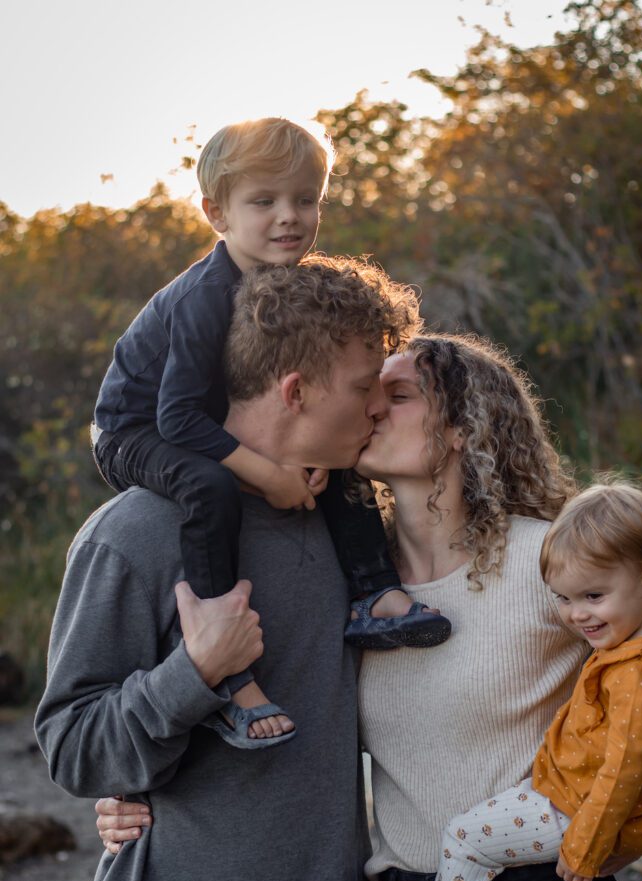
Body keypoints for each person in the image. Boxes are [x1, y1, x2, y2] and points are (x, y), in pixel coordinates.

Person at [95, 333, 642, 881]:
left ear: (461, 428)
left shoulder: (551, 562)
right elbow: (293, 733)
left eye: (399, 394)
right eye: (365, 392)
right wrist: (140, 797)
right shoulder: (345, 583)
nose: (371, 410)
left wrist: (628, 829)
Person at [35, 256, 421, 881]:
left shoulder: (357, 537)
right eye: (362, 385)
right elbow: (72, 746)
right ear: (294, 390)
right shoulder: (135, 534)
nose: (378, 406)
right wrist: (195, 672)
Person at [91, 118, 449, 749]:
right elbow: (175, 418)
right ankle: (233, 678)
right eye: (264, 202)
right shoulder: (206, 296)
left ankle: (374, 592)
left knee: (343, 457)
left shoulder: (289, 279)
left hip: (198, 422)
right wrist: (268, 473)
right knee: (209, 489)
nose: (290, 218)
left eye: (305, 200)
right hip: (135, 429)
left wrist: (301, 450)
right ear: (216, 212)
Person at [388, 482, 642, 881]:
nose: (577, 616)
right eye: (564, 599)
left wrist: (586, 848)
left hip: (577, 812)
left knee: (463, 839)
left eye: (593, 596)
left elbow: (623, 770)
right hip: (568, 793)